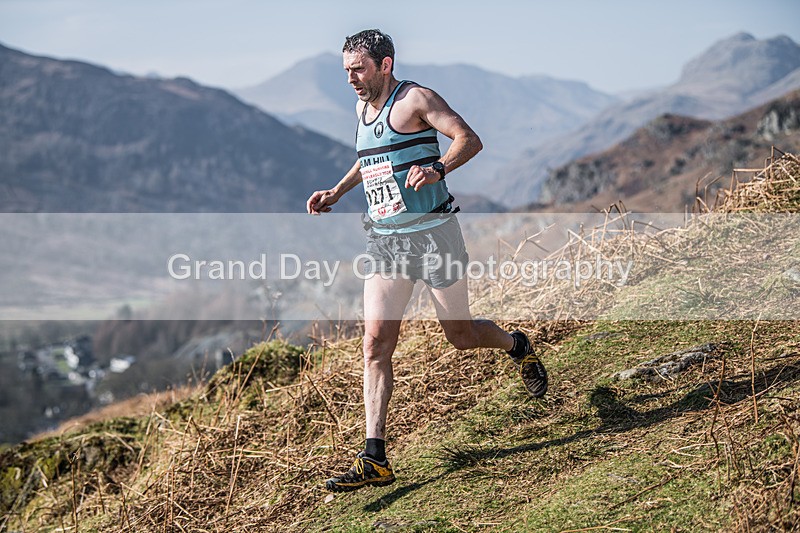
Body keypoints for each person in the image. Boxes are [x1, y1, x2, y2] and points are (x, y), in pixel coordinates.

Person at [306, 29, 548, 493]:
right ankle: (374, 457)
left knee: (460, 336)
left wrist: (438, 167)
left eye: (358, 70)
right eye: (346, 72)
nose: (351, 80)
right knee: (375, 345)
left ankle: (516, 345)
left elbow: (468, 139)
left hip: (435, 236)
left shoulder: (416, 99)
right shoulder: (361, 108)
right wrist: (337, 191)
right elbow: (371, 158)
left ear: (385, 64)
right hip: (386, 244)